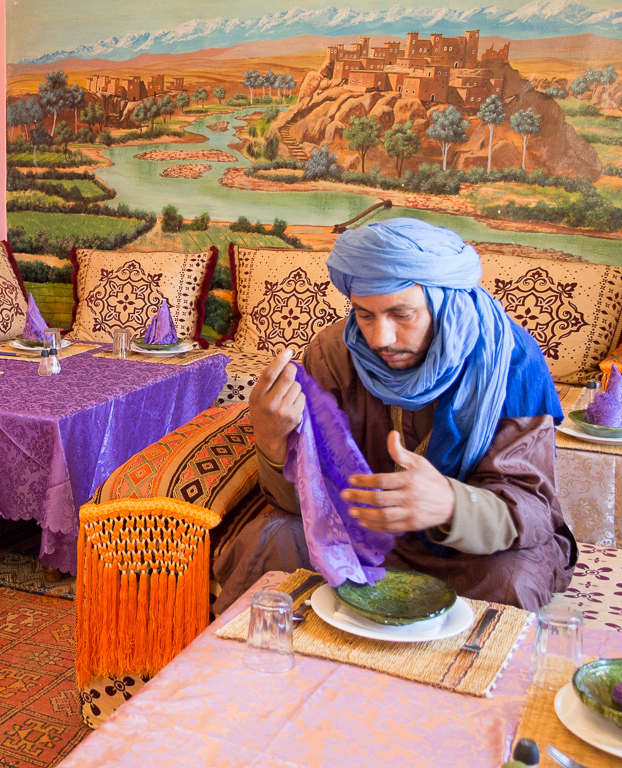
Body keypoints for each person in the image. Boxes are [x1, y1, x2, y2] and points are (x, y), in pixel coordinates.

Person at [213, 218, 577, 612]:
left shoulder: (509, 360)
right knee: (273, 538)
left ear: (446, 303)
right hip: (359, 535)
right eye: (365, 315)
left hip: (466, 548)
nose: (379, 339)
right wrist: (271, 441)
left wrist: (452, 505)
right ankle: (260, 670)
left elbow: (532, 508)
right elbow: (300, 502)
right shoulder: (334, 353)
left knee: (512, 576)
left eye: (402, 315)